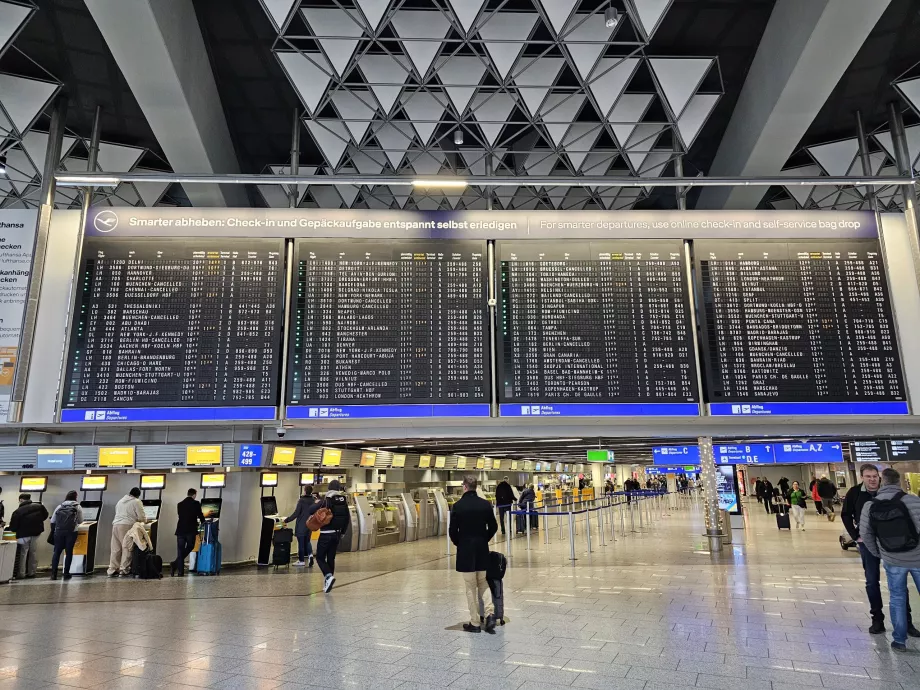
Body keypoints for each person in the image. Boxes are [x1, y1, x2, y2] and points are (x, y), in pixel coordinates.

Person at [843, 465, 918, 636]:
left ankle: (907, 622)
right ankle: (877, 620)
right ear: (862, 477)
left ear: (880, 477)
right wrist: (856, 536)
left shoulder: (888, 493)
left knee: (898, 582)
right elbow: (846, 514)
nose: (872, 479)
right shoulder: (854, 493)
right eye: (868, 476)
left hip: (892, 544)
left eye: (875, 476)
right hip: (867, 543)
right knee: (871, 581)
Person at [860, 468, 920, 651]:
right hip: (917, 558)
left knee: (897, 598)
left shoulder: (870, 506)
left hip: (892, 560)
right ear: (899, 482)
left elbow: (865, 534)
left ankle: (899, 640)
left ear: (882, 481)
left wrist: (879, 553)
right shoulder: (913, 501)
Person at [449, 475, 498, 634]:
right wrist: (485, 538)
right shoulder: (485, 505)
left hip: (466, 551)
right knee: (483, 582)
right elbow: (494, 526)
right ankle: (490, 614)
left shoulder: (457, 506)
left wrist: (460, 543)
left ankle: (475, 622)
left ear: (464, 487)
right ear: (475, 487)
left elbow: (452, 531)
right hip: (482, 549)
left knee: (470, 586)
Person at [306, 479, 349, 593]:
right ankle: (328, 581)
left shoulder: (326, 500)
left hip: (326, 534)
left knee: (320, 557)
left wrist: (316, 503)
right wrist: (343, 532)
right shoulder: (343, 500)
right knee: (331, 558)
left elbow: (310, 510)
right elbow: (347, 518)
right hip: (337, 534)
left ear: (329, 488)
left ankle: (328, 576)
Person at [8, 493, 48, 579]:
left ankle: (21, 573)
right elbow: (45, 515)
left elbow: (13, 526)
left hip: (23, 535)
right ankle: (31, 572)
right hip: (36, 533)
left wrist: (14, 530)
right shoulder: (39, 506)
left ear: (21, 500)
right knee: (33, 552)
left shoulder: (18, 511)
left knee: (23, 553)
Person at [108, 487, 145, 577]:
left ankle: (112, 569)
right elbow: (141, 517)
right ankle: (124, 569)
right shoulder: (136, 501)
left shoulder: (120, 501)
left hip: (116, 525)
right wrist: (145, 520)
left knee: (115, 548)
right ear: (137, 495)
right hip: (126, 525)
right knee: (127, 547)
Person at [171, 488, 205, 577]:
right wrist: (204, 522)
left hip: (180, 530)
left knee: (180, 550)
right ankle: (175, 563)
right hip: (190, 530)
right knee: (190, 546)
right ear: (194, 495)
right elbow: (200, 514)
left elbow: (181, 516)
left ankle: (180, 572)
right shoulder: (196, 503)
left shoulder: (180, 504)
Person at [49, 490, 83, 581]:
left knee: (57, 552)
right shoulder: (78, 506)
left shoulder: (60, 506)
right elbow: (80, 521)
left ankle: (53, 574)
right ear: (75, 497)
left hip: (59, 532)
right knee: (69, 552)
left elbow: (52, 521)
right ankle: (66, 572)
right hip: (72, 532)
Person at [284, 485, 316, 567]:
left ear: (305, 491)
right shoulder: (313, 500)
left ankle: (301, 561)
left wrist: (287, 520)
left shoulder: (301, 501)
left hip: (301, 525)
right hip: (309, 525)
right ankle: (310, 555)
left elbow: (296, 513)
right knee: (308, 541)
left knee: (301, 544)